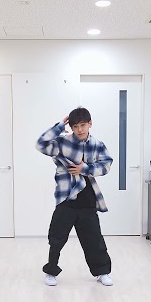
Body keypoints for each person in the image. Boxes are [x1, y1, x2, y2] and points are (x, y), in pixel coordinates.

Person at [35, 107, 113, 286]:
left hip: (88, 198)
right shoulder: (63, 142)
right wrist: (58, 127)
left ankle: (102, 272)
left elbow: (106, 165)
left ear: (90, 124)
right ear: (71, 127)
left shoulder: (97, 144)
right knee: (57, 237)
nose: (79, 129)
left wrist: (85, 168)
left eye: (83, 125)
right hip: (67, 196)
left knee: (94, 238)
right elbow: (40, 144)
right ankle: (51, 272)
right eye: (75, 126)